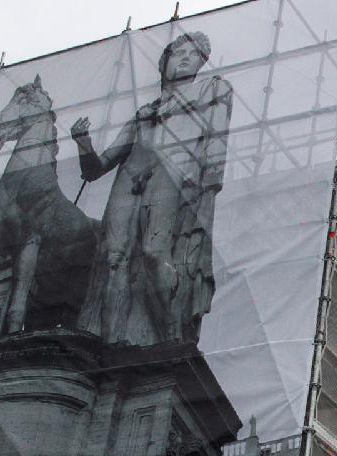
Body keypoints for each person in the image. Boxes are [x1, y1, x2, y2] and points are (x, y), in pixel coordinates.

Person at [71, 31, 232, 346]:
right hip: (129, 176)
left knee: (154, 253)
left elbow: (217, 141)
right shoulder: (145, 112)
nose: (185, 58)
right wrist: (83, 144)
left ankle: (172, 337)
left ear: (202, 63)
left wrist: (209, 187)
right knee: (113, 257)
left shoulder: (212, 90)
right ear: (165, 61)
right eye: (178, 52)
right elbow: (96, 168)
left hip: (170, 174)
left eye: (194, 54)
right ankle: (109, 344)